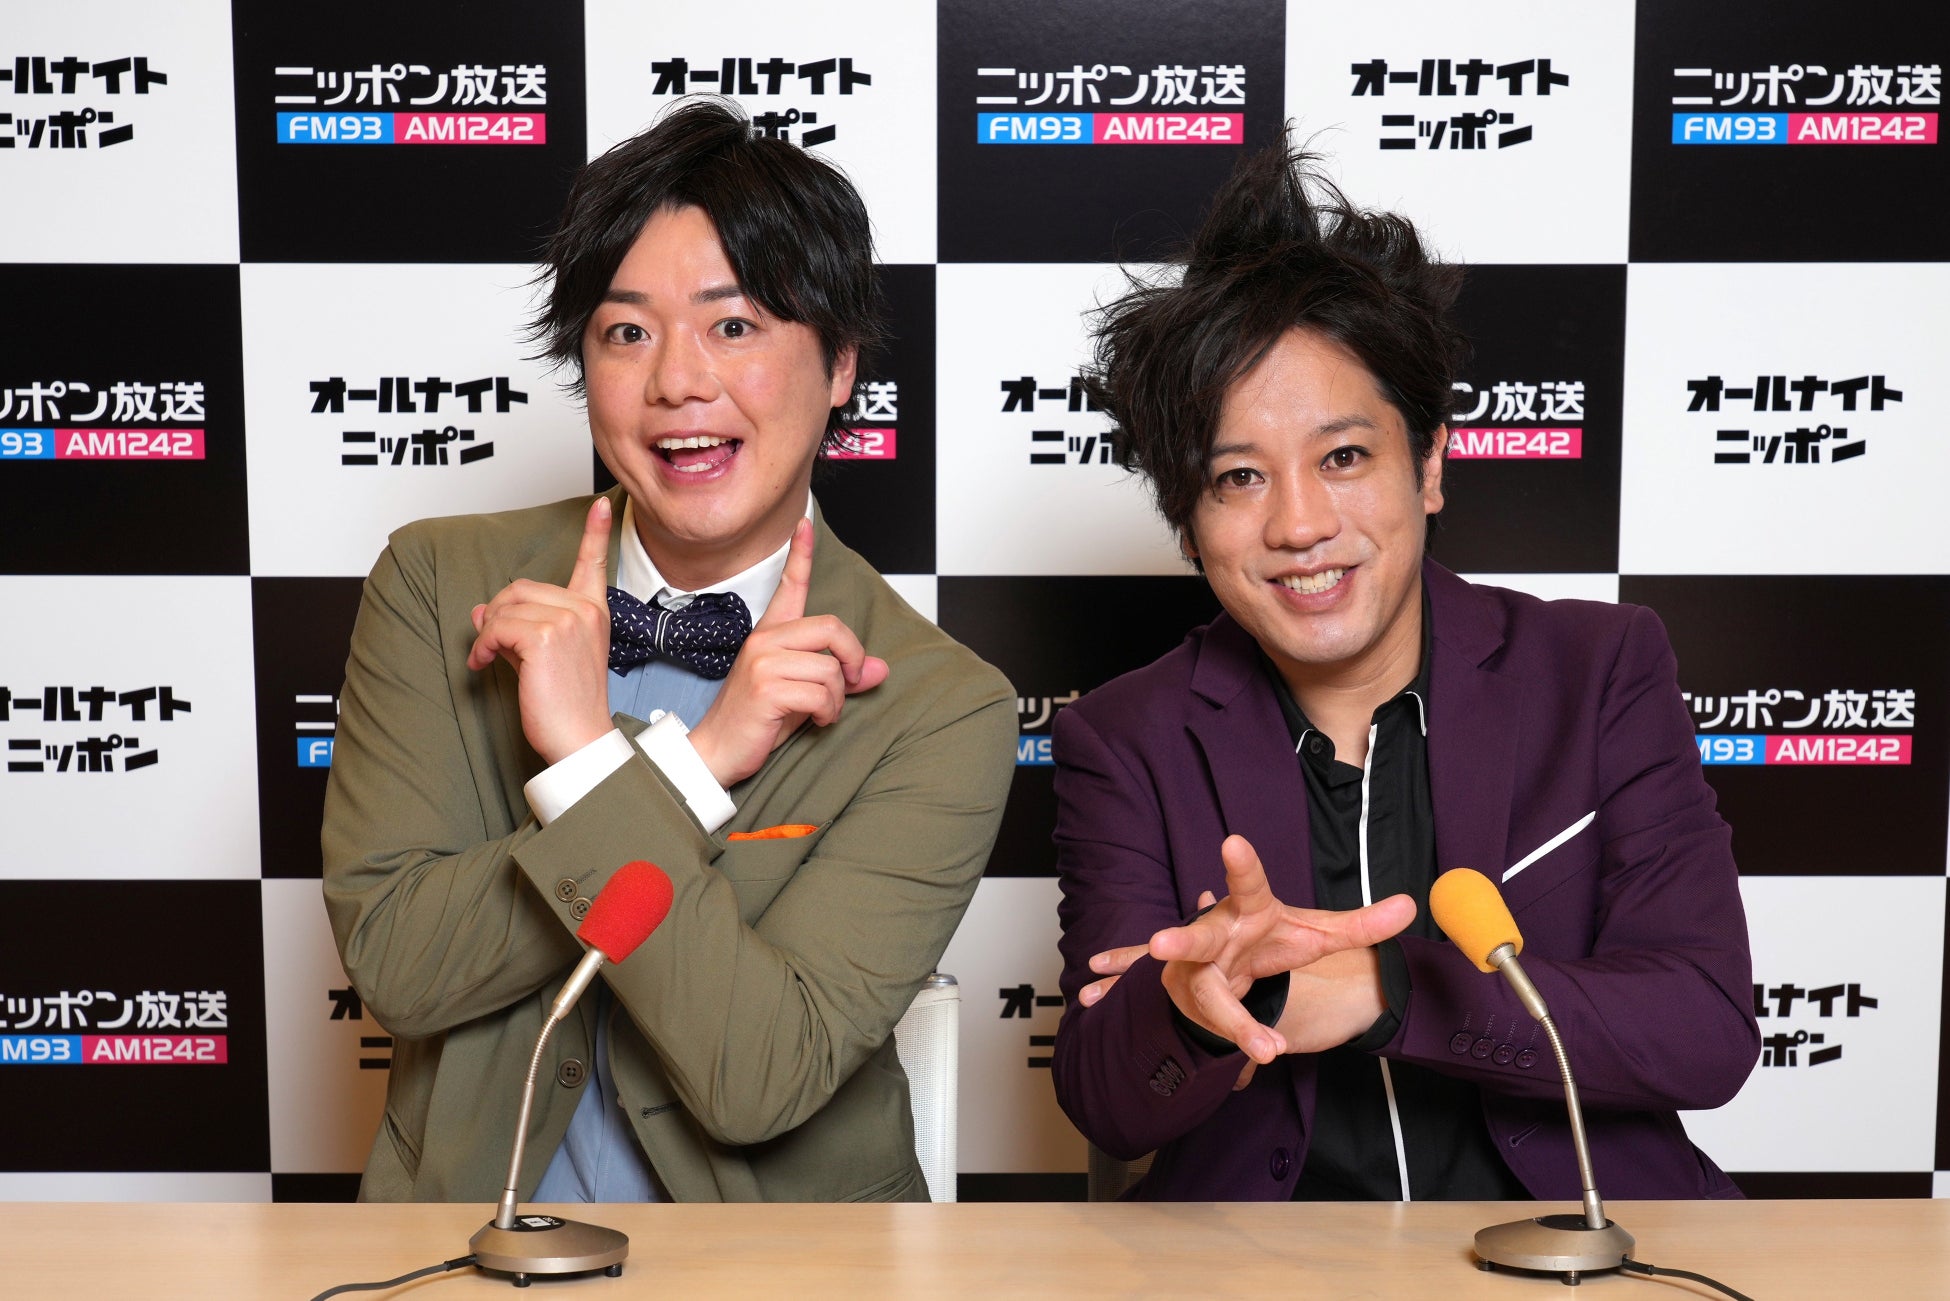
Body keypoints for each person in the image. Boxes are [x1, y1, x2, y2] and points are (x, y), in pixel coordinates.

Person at [322, 99, 1015, 1204]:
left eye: (733, 327)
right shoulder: (440, 583)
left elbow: (760, 1074)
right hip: (465, 1241)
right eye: (627, 332)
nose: (678, 383)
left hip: (781, 1262)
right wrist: (693, 767)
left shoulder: (942, 705)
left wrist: (593, 762)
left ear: (841, 362)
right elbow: (403, 965)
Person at [1049, 139, 1759, 1201]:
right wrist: (1194, 1009)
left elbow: (1704, 1026)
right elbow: (1106, 1098)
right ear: (1187, 521)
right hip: (1265, 1262)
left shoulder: (1597, 669)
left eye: (1343, 457)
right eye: (1238, 476)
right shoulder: (1127, 736)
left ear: (1428, 462)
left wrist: (1385, 989)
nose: (1299, 524)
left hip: (1578, 1243)